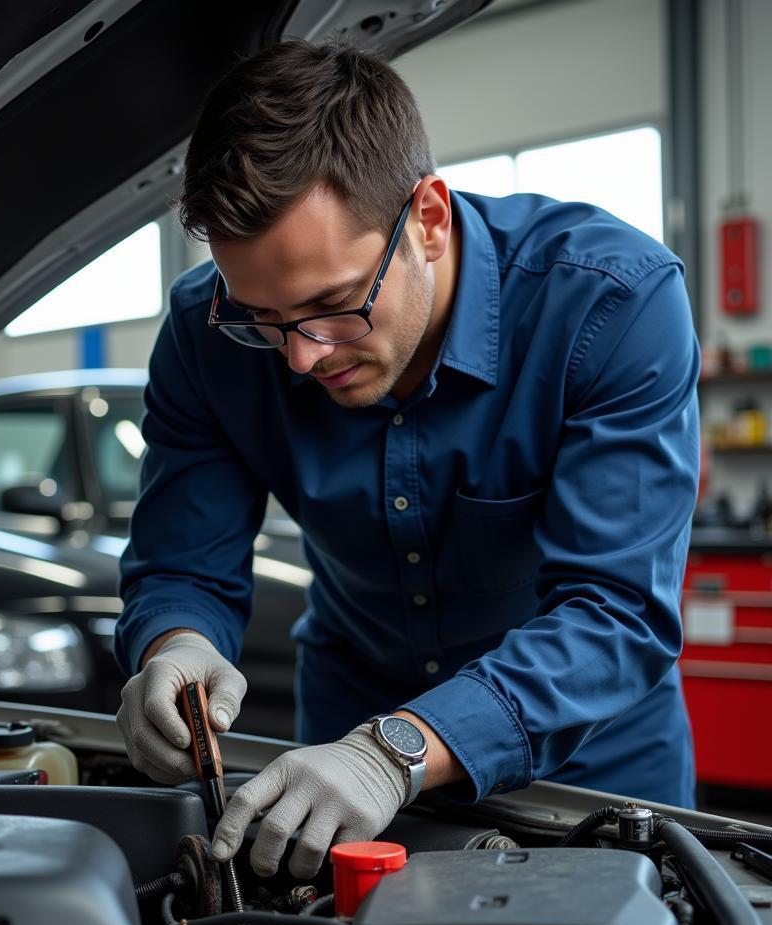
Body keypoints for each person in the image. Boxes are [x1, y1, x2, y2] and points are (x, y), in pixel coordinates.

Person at [114, 40, 700, 880]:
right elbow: (184, 564)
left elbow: (615, 614)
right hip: (337, 767)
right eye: (263, 318)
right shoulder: (207, 337)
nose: (300, 359)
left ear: (428, 217)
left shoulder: (610, 304)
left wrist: (394, 750)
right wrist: (175, 646)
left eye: (331, 306)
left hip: (592, 776)